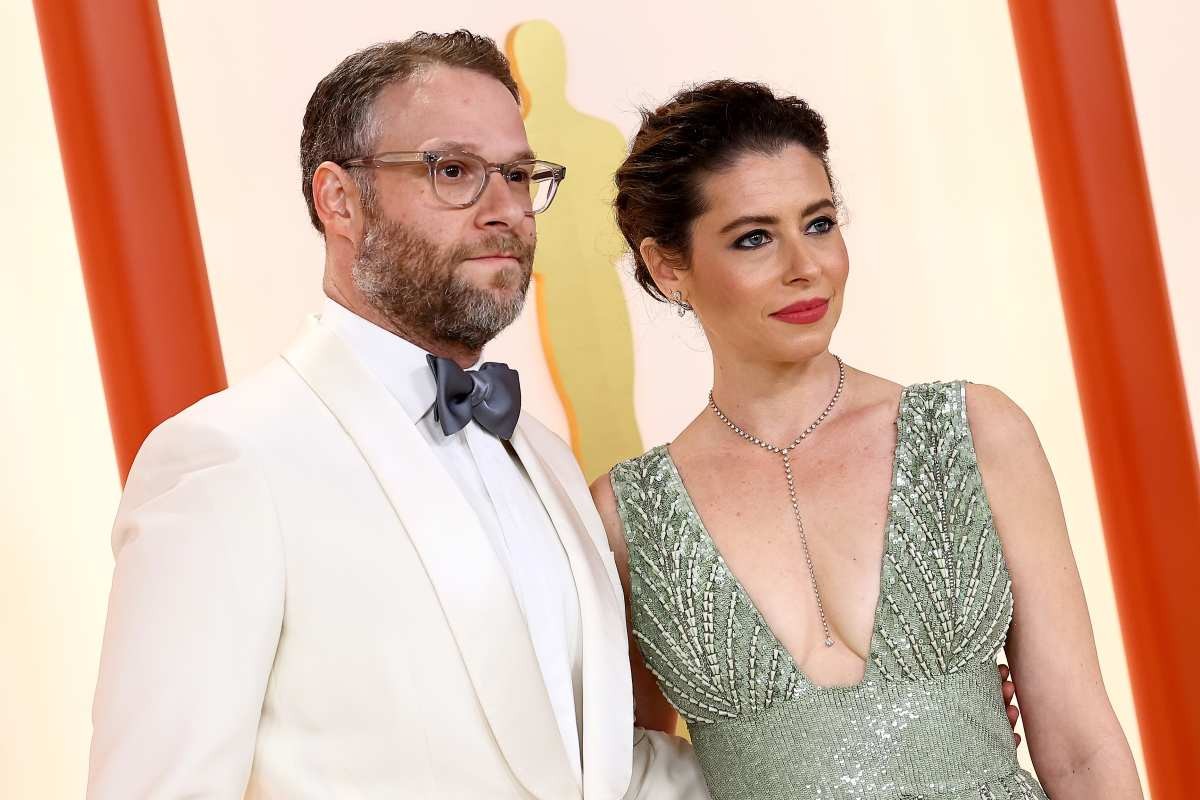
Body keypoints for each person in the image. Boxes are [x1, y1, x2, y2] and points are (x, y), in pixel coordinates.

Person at [86, 32, 707, 799]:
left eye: (517, 174)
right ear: (338, 199)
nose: (507, 209)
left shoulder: (541, 455)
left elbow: (598, 769)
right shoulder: (227, 460)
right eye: (454, 172)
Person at [592, 80, 1143, 799]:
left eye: (818, 223)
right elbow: (629, 769)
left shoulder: (977, 433)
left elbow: (1080, 748)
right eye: (754, 237)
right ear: (669, 265)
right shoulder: (626, 518)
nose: (806, 266)